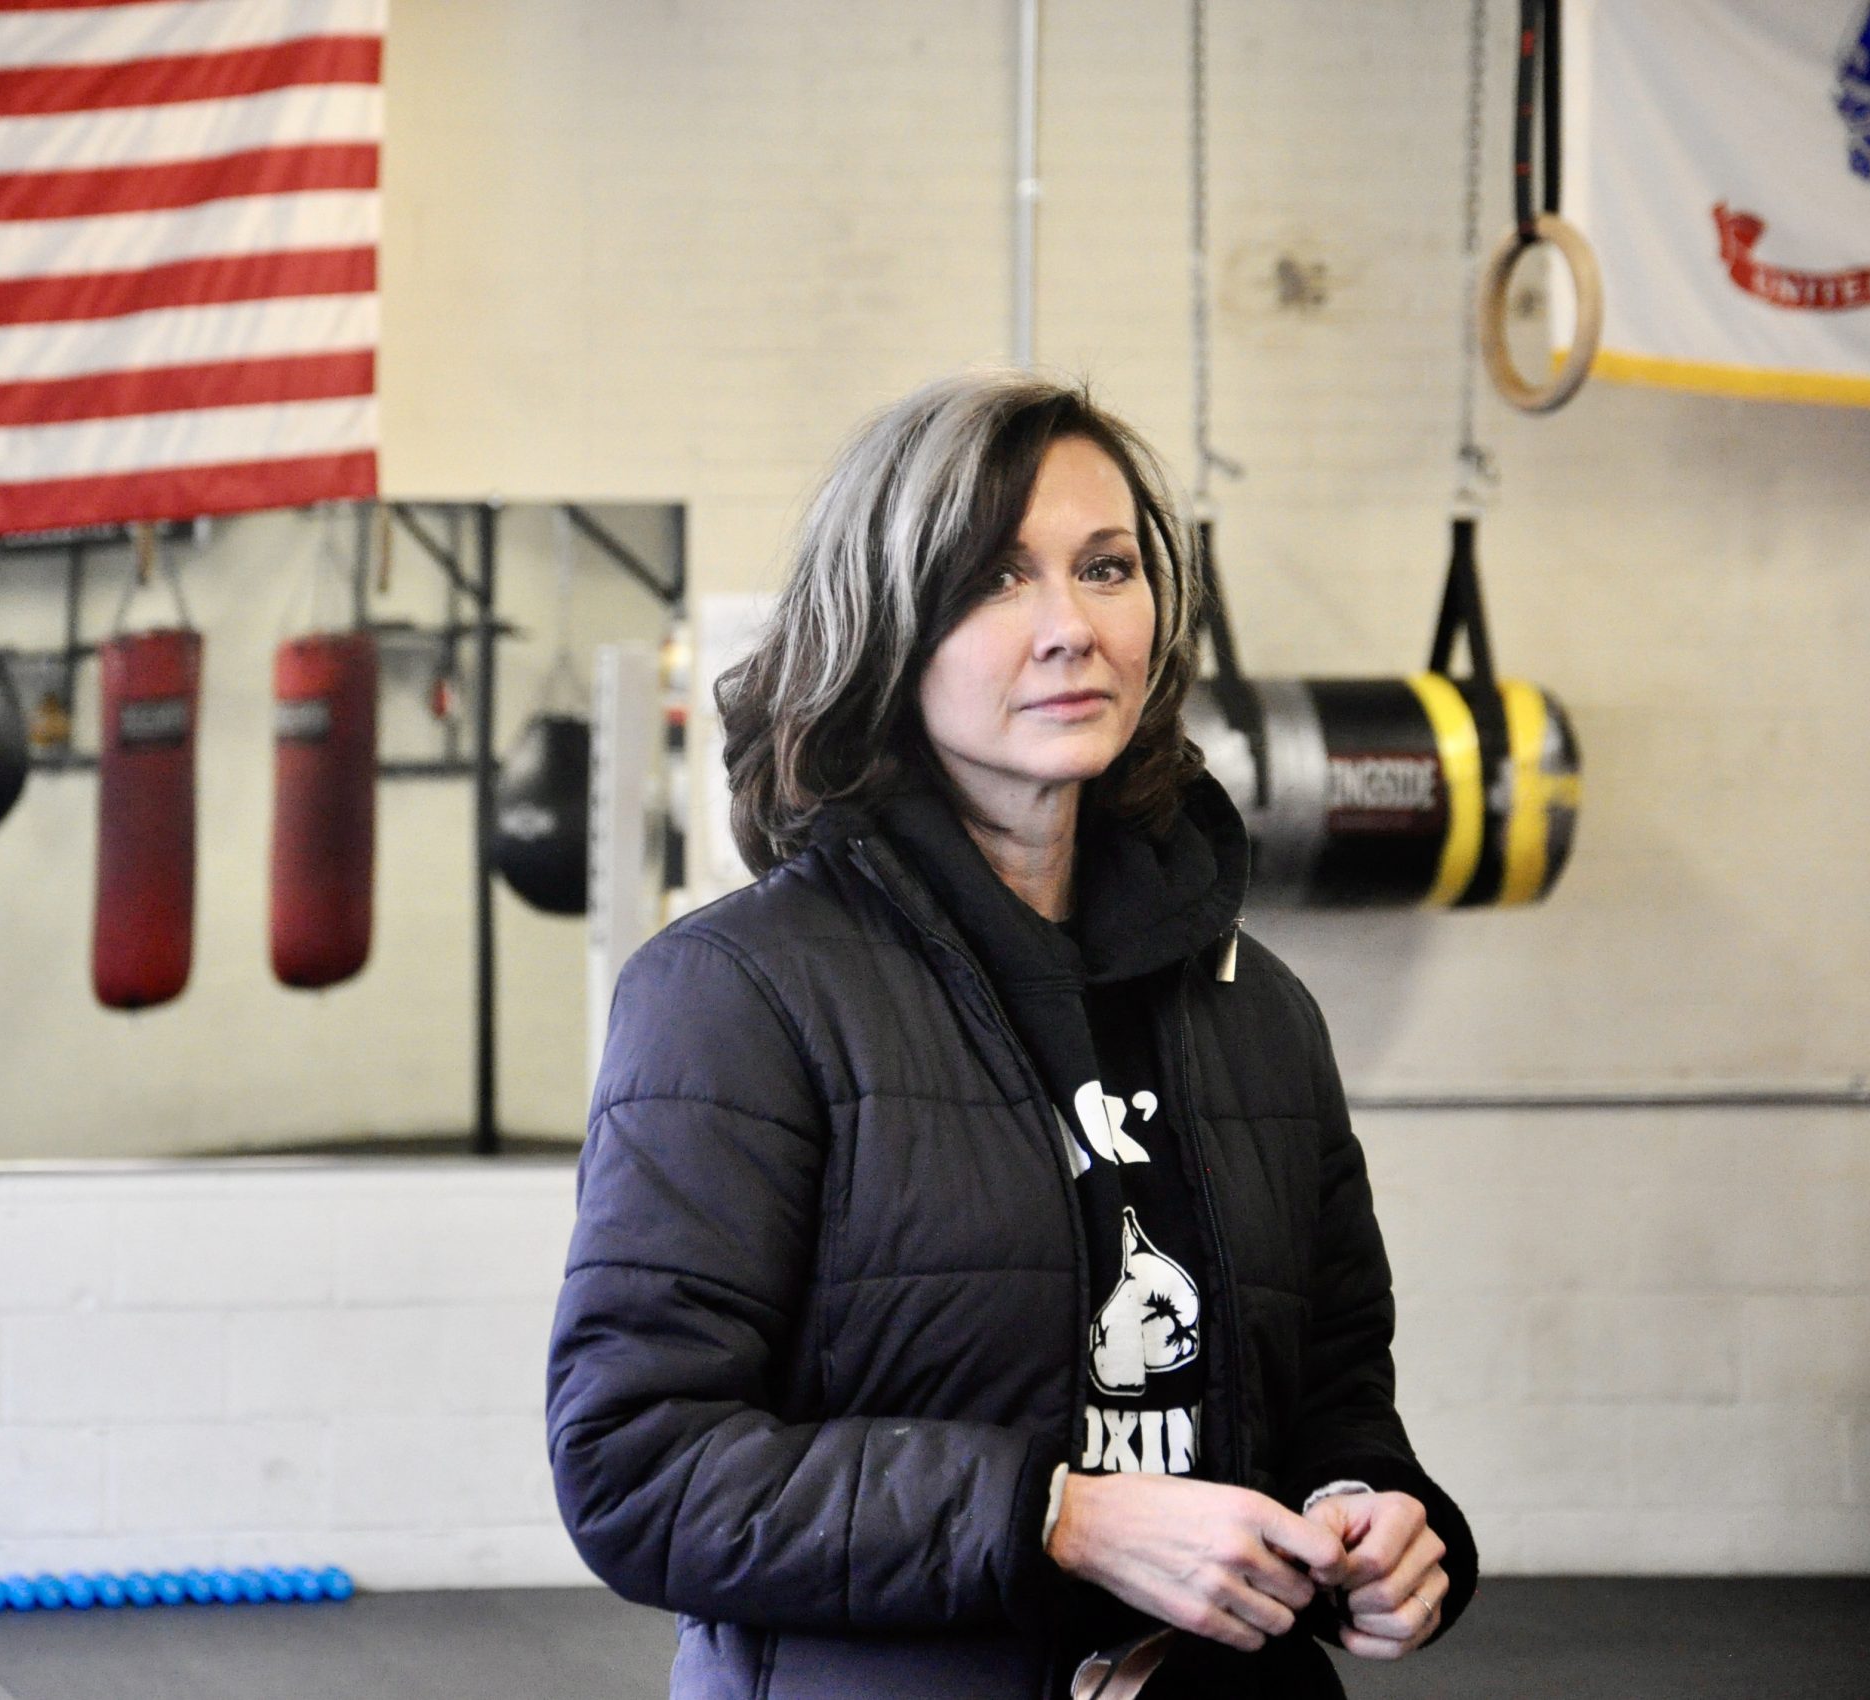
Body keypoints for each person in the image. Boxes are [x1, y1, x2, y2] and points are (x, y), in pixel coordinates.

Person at [545, 371, 1477, 1700]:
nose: (1071, 629)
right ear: (884, 631)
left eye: (1107, 568)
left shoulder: (1256, 1007)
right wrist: (1056, 1517)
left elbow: (1330, 1385)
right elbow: (635, 1466)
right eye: (993, 580)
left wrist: (1373, 1509)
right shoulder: (736, 996)